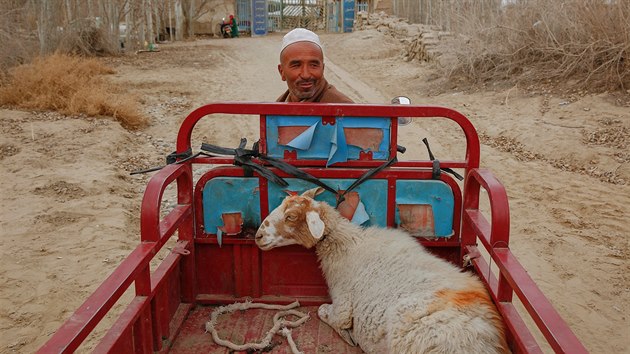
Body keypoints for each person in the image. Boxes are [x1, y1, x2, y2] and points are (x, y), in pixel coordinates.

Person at [276, 28, 353, 103]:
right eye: (296, 66)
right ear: (282, 72)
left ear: (322, 69)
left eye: (313, 65)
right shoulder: (279, 105)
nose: (306, 75)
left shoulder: (344, 109)